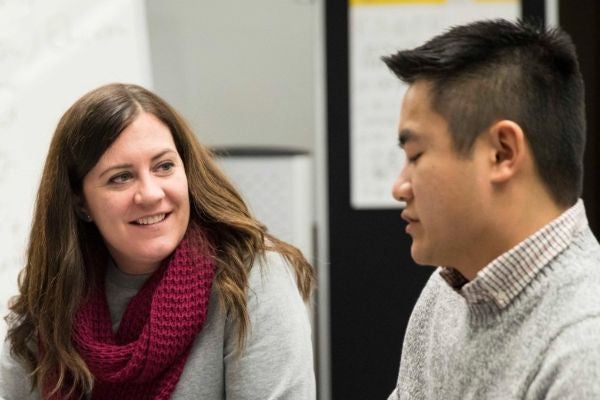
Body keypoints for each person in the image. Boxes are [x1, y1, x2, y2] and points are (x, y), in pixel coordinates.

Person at [0, 83, 316, 399]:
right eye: (120, 177)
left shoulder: (252, 279)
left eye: (164, 166)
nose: (151, 194)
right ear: (81, 204)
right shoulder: (52, 302)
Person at [382, 19, 600, 399]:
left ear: (502, 153)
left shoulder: (585, 344)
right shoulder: (448, 289)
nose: (399, 187)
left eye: (416, 155)